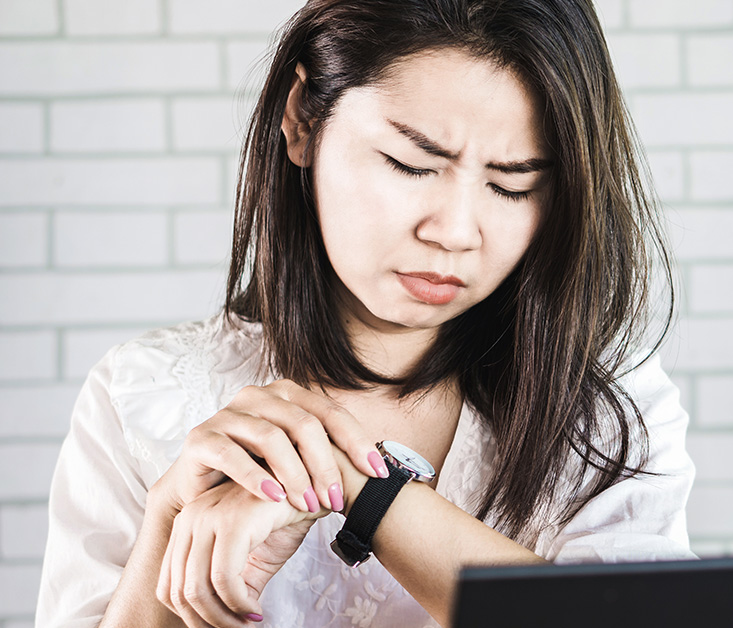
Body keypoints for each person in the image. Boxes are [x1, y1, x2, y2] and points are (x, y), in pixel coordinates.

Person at [35, 0, 694, 626]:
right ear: (302, 119)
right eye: (411, 165)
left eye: (511, 183)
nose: (456, 231)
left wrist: (361, 485)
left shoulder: (606, 409)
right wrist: (169, 527)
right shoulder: (142, 395)